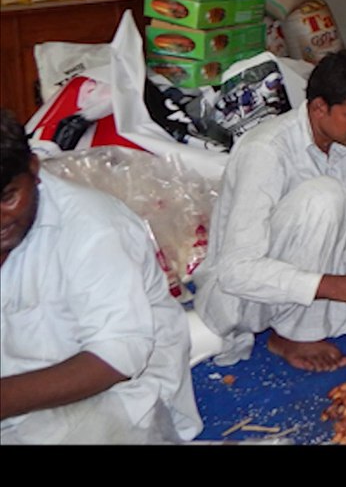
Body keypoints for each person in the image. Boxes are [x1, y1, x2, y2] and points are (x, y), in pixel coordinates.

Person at [194, 50, 346, 372]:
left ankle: (315, 313)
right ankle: (293, 333)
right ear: (319, 107)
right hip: (245, 294)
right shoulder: (266, 150)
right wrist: (343, 287)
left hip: (317, 268)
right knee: (324, 196)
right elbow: (235, 271)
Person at [0, 109, 201, 444]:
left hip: (111, 397)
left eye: (8, 198)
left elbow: (118, 357)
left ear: (34, 170)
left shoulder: (94, 228)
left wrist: (4, 399)